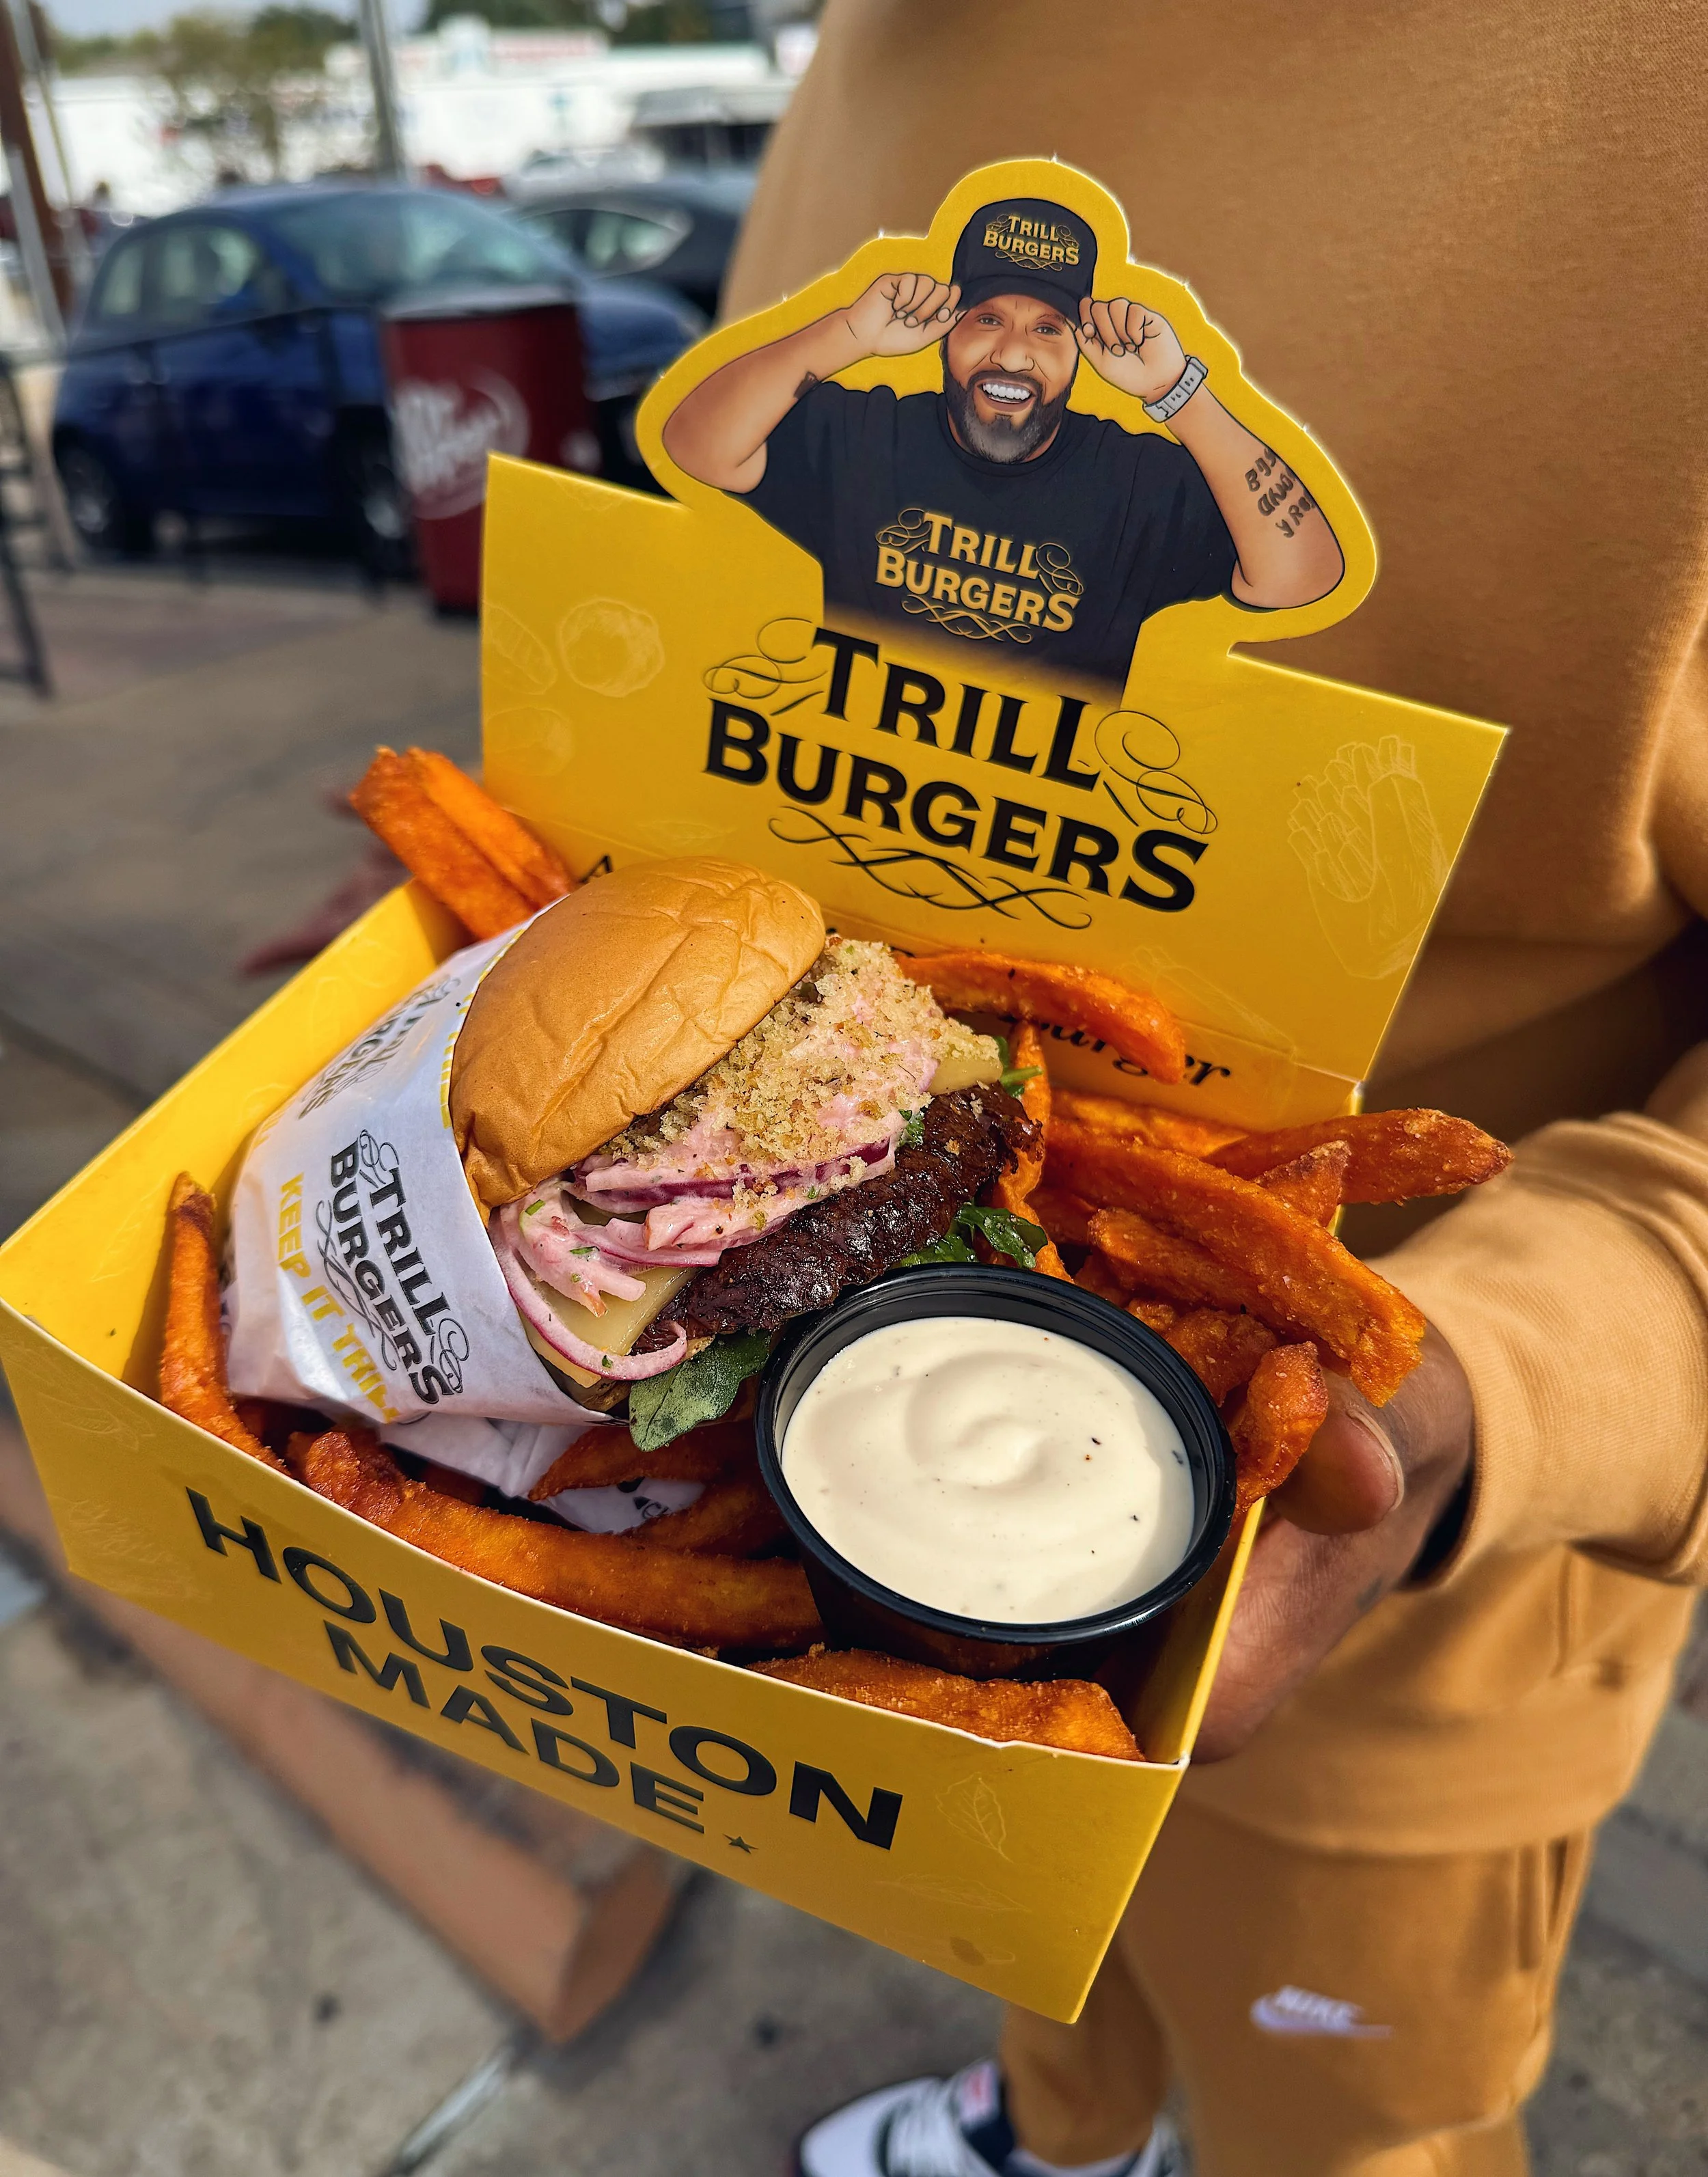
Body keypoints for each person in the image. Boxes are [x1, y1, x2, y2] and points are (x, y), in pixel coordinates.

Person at [719, 6, 1708, 2175]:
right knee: (1023, 1918)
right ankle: (1060, 2131)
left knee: (1340, 2121)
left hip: (1394, 1601)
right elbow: (737, 573)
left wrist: (1490, 1394)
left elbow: (1273, 579)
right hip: (845, 1442)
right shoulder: (863, 53)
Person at [663, 195, 1343, 692]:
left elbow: (1298, 578)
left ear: (1082, 351)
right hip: (844, 789)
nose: (1013, 356)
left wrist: (1178, 392)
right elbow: (697, 446)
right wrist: (847, 334)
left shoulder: (1139, 482)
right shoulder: (865, 435)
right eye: (987, 319)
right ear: (945, 330)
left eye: (1048, 329)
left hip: (1044, 839)